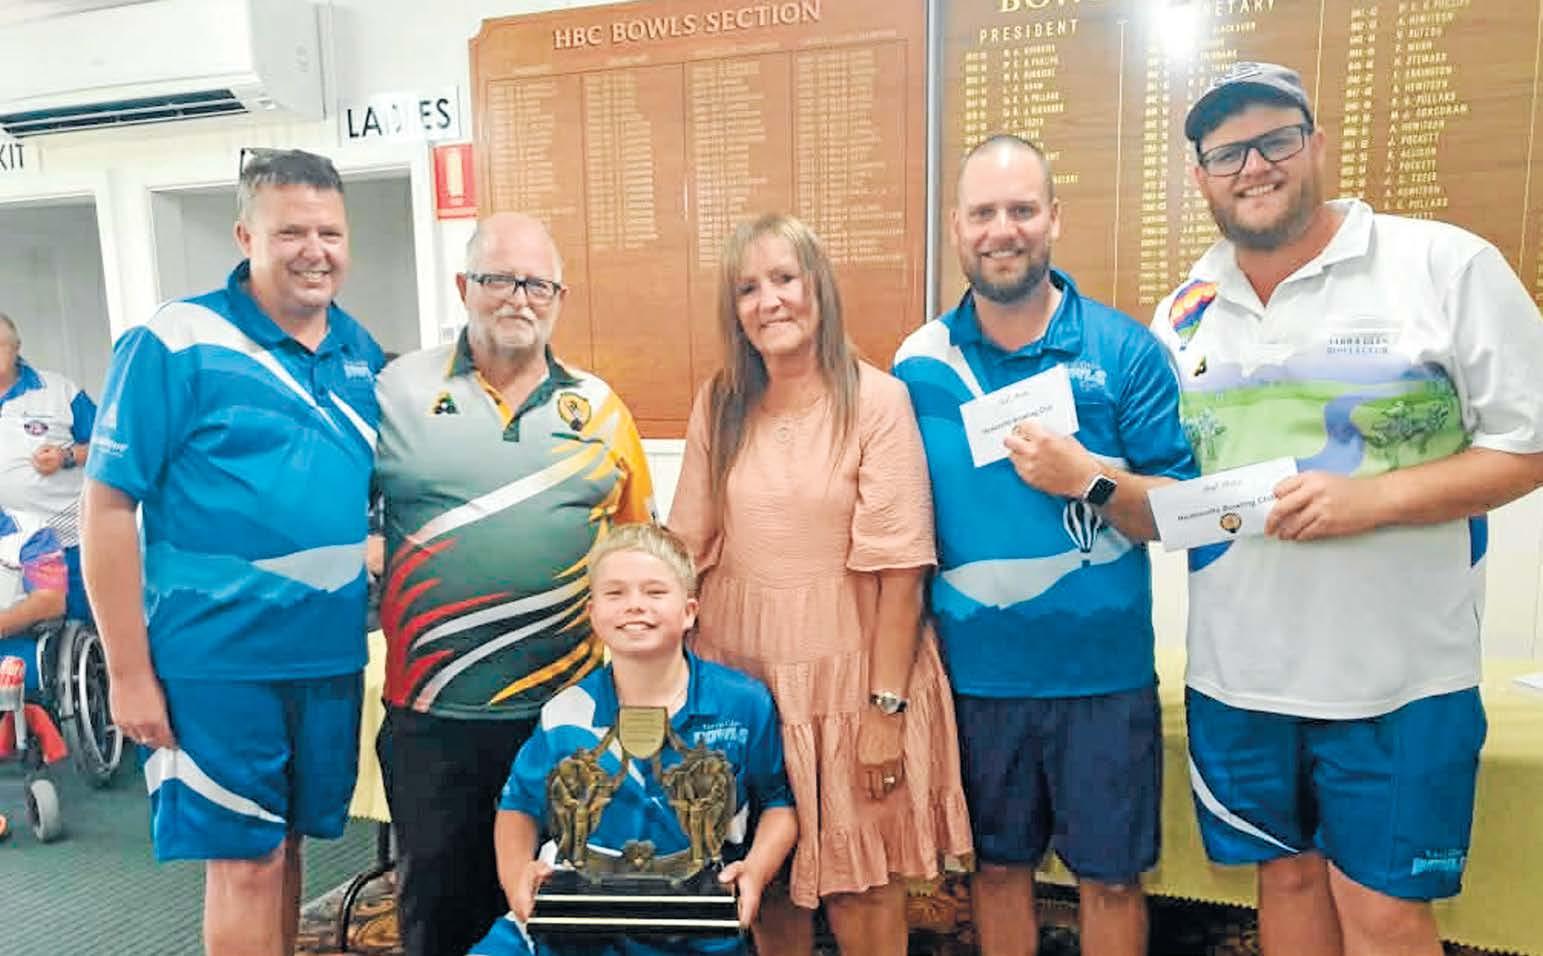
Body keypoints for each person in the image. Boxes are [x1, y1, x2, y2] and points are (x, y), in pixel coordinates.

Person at [1152, 62, 1543, 956]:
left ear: (1316, 144)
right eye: (1227, 152)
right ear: (1200, 176)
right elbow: (1176, 489)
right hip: (1236, 676)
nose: (1254, 166)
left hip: (1398, 681)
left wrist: (1374, 499)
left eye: (1275, 140)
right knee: (1283, 884)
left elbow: (1527, 445)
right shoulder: (1181, 312)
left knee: (1383, 916)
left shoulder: (1442, 265)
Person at [892, 135, 1197, 956]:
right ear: (956, 227)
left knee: (1111, 881)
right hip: (972, 680)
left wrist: (1088, 479)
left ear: (1053, 218)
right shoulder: (917, 364)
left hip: (1101, 678)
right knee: (995, 872)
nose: (1003, 230)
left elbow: (1184, 513)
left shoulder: (1123, 351)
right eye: (983, 212)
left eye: (1022, 209)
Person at [82, 148, 384, 956]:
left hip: (326, 656)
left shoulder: (359, 352)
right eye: (291, 232)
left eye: (330, 232)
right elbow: (106, 510)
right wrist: (127, 673)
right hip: (215, 661)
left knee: (285, 849)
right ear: (246, 236)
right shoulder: (173, 340)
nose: (314, 250)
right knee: (244, 864)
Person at [668, 213, 973, 956]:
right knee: (764, 884)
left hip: (853, 686)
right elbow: (684, 546)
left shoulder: (876, 400)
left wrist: (884, 711)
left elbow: (902, 569)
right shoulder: (720, 402)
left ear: (818, 289)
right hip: (744, 684)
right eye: (748, 288)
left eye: (784, 279)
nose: (768, 301)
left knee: (862, 892)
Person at [373, 211, 655, 956]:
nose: (518, 298)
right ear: (463, 286)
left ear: (560, 298)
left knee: (568, 916)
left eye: (537, 284)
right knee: (443, 913)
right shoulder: (395, 391)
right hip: (435, 718)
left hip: (567, 717)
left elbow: (642, 555)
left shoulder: (599, 408)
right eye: (499, 279)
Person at [469, 521, 798, 956]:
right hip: (571, 921)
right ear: (593, 613)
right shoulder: (566, 711)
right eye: (615, 593)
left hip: (695, 923)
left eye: (655, 592)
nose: (635, 605)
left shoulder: (743, 703)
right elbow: (519, 807)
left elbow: (778, 803)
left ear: (689, 611)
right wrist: (517, 880)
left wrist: (755, 870)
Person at [0, 313, 96, 621]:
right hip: (7, 550)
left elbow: (111, 447)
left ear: (17, 348)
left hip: (69, 543)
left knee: (80, 629)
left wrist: (67, 456)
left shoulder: (58, 391)